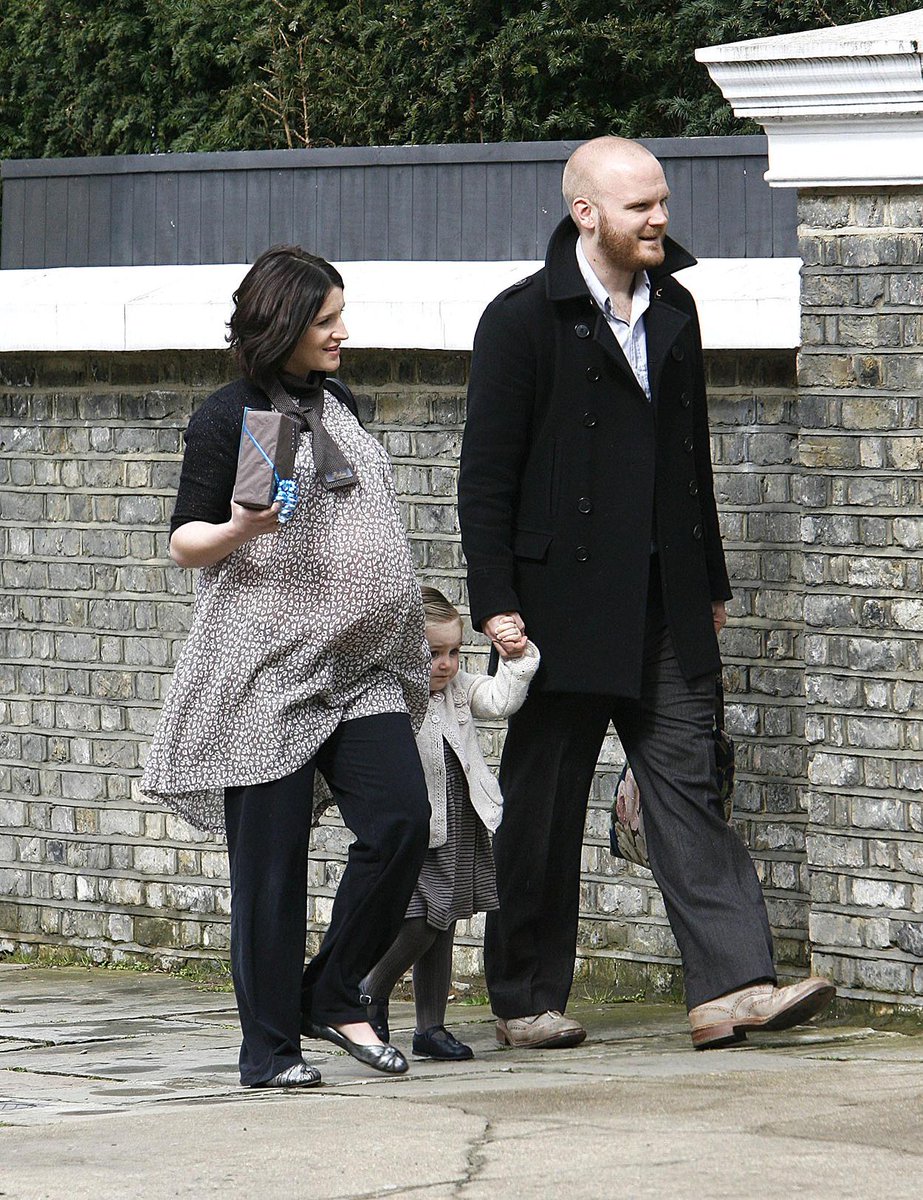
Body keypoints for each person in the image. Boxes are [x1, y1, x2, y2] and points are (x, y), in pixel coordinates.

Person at [457, 136, 835, 1051]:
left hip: (664, 600)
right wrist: (494, 600)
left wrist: (708, 581)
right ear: (586, 212)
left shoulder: (674, 309)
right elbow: (486, 475)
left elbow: (687, 460)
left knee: (686, 790)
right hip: (558, 606)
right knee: (543, 810)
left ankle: (731, 987)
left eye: (662, 201)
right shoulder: (521, 320)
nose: (660, 218)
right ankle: (523, 999)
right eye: (640, 207)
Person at [142, 246, 431, 1086]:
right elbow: (184, 541)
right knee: (271, 870)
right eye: (325, 319)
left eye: (340, 314)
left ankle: (333, 989)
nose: (342, 332)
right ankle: (269, 1051)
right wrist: (242, 530)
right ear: (282, 327)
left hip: (360, 667)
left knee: (401, 823)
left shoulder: (338, 400)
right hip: (265, 672)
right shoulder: (229, 413)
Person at [359, 587, 540, 1060]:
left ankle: (429, 1028)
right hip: (418, 825)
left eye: (454, 652)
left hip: (461, 820)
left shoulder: (458, 690)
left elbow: (500, 700)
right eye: (433, 653)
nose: (446, 664)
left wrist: (517, 658)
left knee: (447, 921)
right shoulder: (392, 696)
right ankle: (367, 991)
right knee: (423, 921)